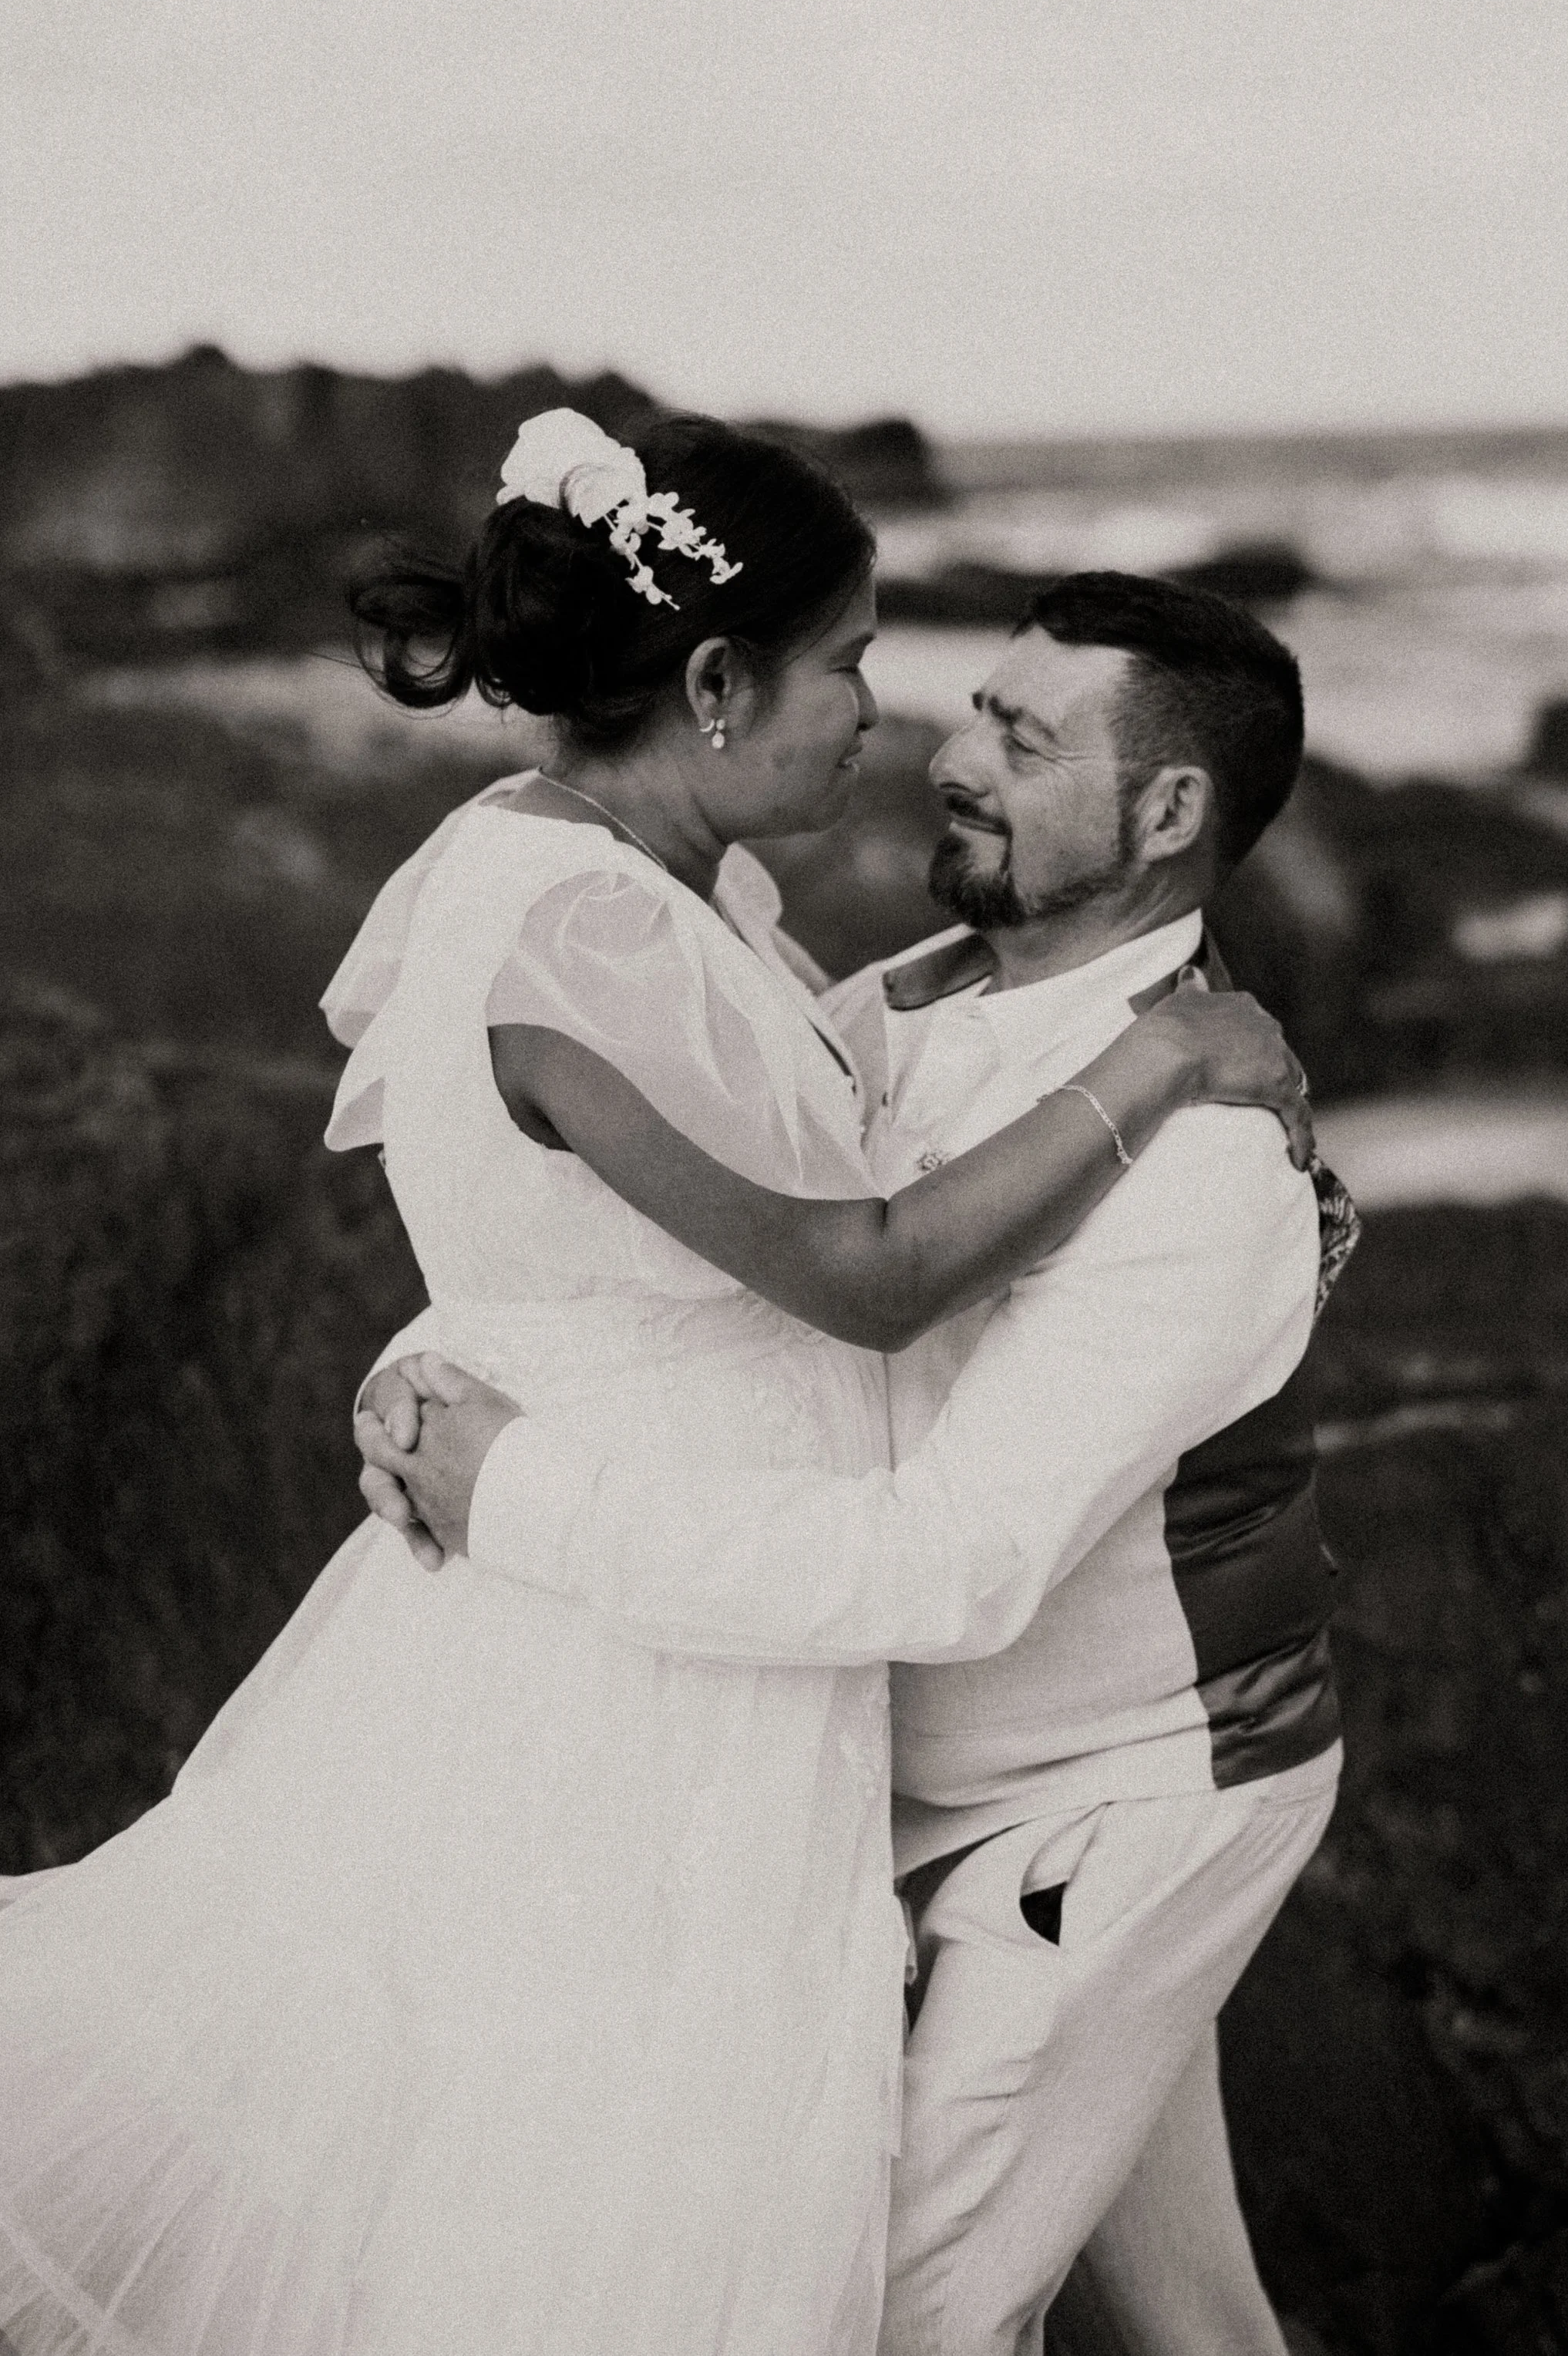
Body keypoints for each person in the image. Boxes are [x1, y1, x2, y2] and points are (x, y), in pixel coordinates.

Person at [0, 410, 1307, 2356]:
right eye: (869, 669)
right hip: (681, 1683)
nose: (906, 731)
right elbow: (829, 1253)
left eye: (1005, 731)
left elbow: (744, 1165)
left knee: (848, 2283)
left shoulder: (698, 910)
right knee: (618, 2210)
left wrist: (481, 1374)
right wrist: (1162, 1057)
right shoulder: (620, 923)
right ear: (710, 685)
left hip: (962, 1744)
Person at [359, 567, 1359, 2356]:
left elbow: (943, 1566)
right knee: (1195, 2318)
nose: (946, 753)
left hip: (1100, 1805)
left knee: (881, 2315)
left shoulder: (1205, 1161)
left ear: (1168, 813)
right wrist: (447, 1372)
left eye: (1020, 738)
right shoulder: (891, 999)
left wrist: (514, 1495)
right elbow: (686, 1284)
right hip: (887, 1784)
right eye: (972, 708)